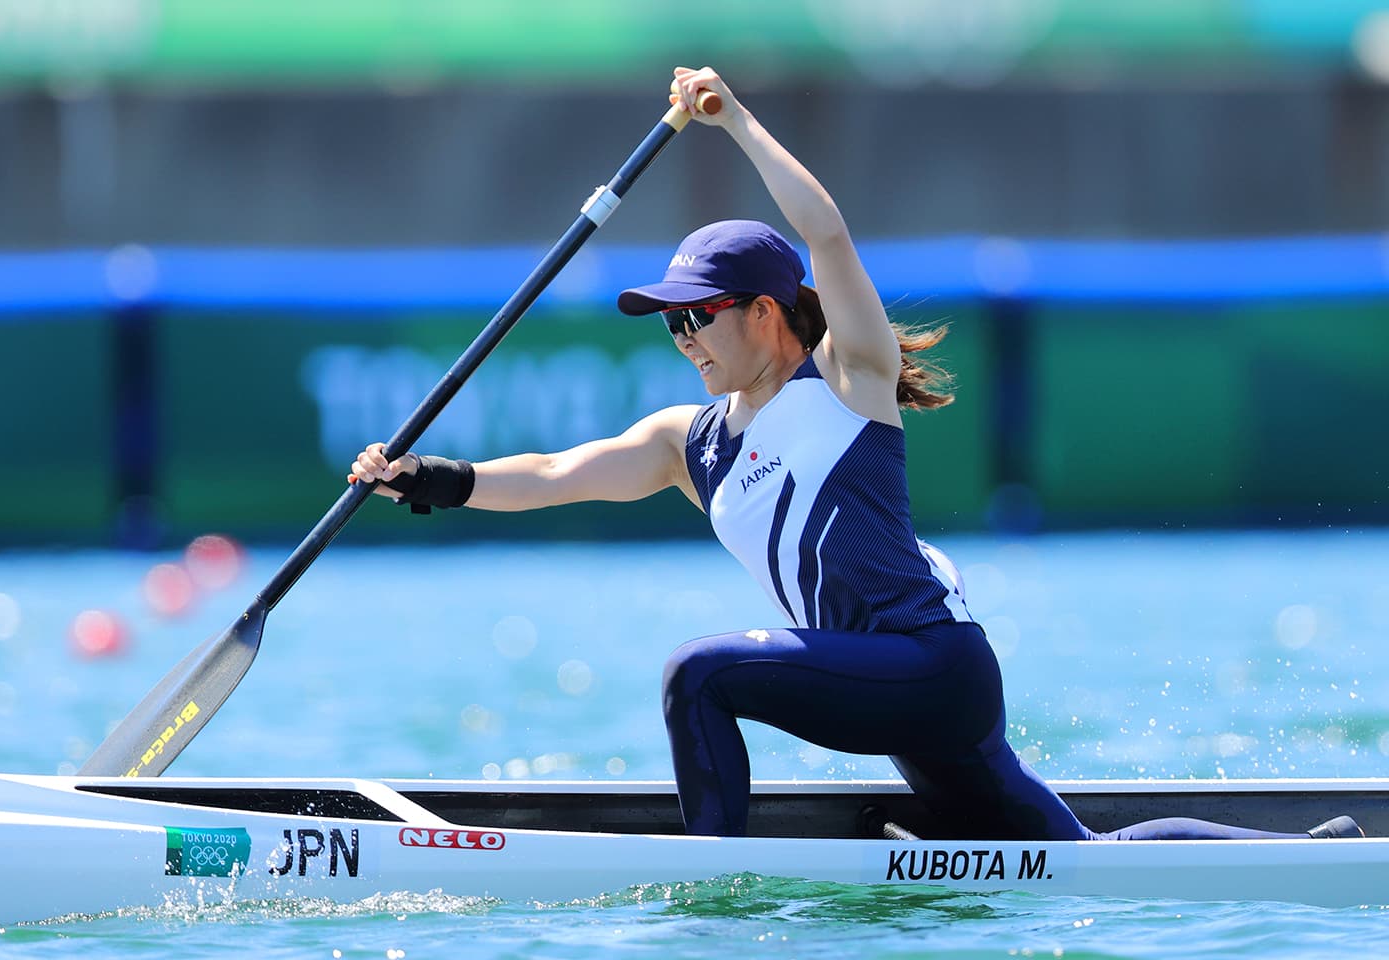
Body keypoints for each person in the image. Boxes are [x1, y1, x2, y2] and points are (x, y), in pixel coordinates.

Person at [349, 66, 1362, 843]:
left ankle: (719, 892)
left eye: (699, 317)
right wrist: (424, 479)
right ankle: (1319, 856)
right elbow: (558, 477)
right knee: (1075, 855)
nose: (686, 339)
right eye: (671, 327)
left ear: (764, 313)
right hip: (892, 690)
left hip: (933, 671)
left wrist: (735, 120)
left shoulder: (846, 379)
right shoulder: (686, 443)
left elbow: (825, 234)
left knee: (698, 675)